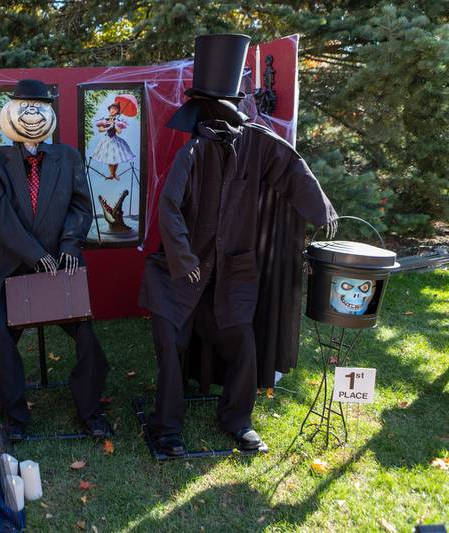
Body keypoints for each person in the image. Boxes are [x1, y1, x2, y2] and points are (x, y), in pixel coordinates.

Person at [140, 34, 339, 456]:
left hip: (231, 273)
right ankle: (167, 425)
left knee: (242, 343)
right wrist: (184, 256)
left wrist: (322, 211)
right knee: (171, 344)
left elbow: (292, 168)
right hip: (179, 277)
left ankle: (237, 418)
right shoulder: (192, 152)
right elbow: (169, 208)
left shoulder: (258, 144)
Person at [0, 79, 111, 441]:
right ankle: (15, 416)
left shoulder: (67, 156)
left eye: (40, 105)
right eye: (26, 105)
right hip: (13, 265)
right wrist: (35, 255)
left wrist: (69, 244)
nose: (33, 113)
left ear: (49, 112)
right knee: (5, 341)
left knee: (86, 337)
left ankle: (90, 408)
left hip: (60, 265)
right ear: (11, 111)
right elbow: (0, 215)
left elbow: (81, 205)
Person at [91, 101, 135, 180]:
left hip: (115, 140)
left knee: (116, 157)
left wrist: (114, 124)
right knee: (109, 157)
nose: (113, 110)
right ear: (109, 109)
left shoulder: (118, 121)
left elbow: (119, 132)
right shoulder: (104, 120)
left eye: (115, 109)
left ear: (118, 111)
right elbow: (100, 130)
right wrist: (108, 127)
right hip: (107, 139)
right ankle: (112, 174)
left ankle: (113, 173)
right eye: (112, 108)